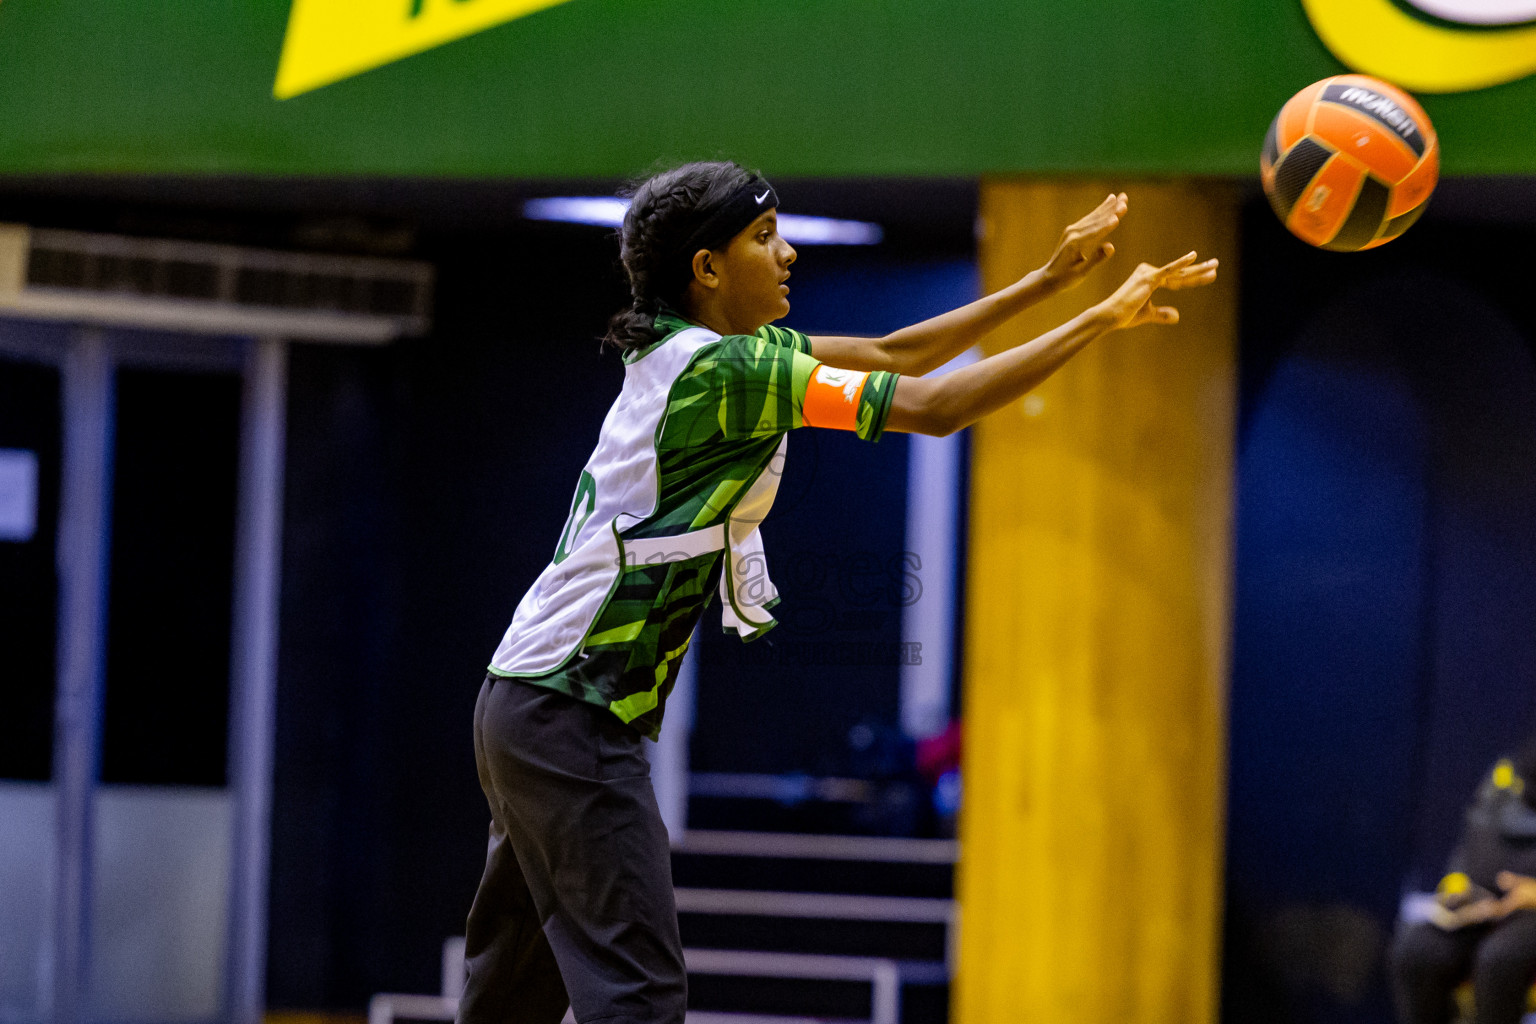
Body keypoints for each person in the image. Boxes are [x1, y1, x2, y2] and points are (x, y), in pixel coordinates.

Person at [457, 160, 1219, 1024]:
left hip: (524, 700)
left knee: (510, 997)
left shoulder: (696, 357)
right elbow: (932, 404)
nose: (787, 254)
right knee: (637, 995)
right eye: (763, 237)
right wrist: (1099, 318)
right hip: (573, 705)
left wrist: (1048, 279)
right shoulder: (728, 373)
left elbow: (900, 353)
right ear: (706, 269)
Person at [1392, 735, 1536, 1024]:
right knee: (1417, 952)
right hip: (1487, 900)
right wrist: (1461, 885)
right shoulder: (1511, 772)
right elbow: (1476, 841)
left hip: (1529, 909)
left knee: (1499, 960)